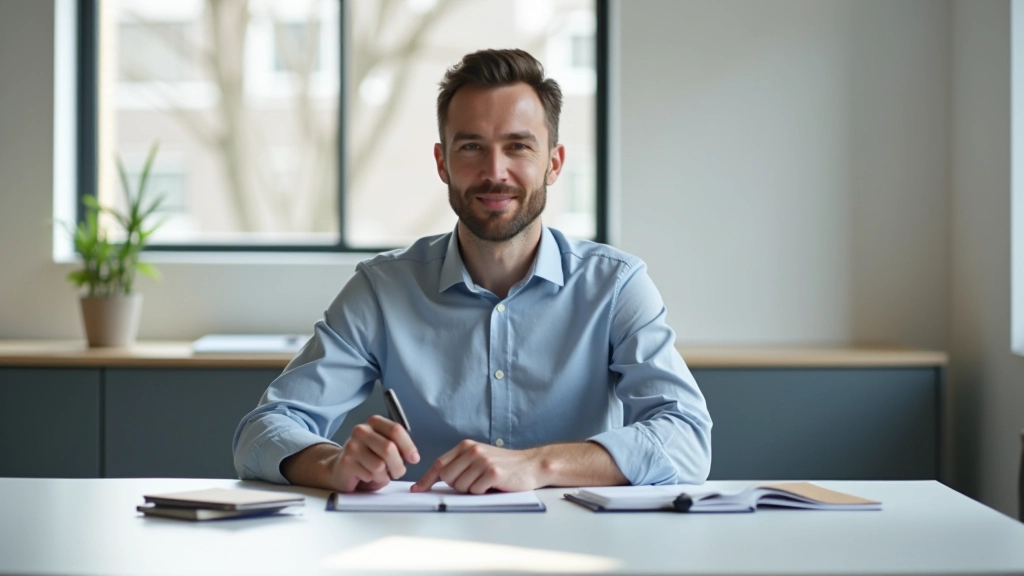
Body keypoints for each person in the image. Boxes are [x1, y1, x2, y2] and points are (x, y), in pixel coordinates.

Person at [232, 48, 712, 495]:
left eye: (519, 146)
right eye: (471, 147)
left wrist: (537, 465)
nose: (495, 171)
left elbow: (687, 437)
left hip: (580, 542)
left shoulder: (616, 286)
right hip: (422, 544)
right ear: (442, 163)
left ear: (554, 163)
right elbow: (263, 430)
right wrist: (332, 463)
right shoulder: (381, 289)